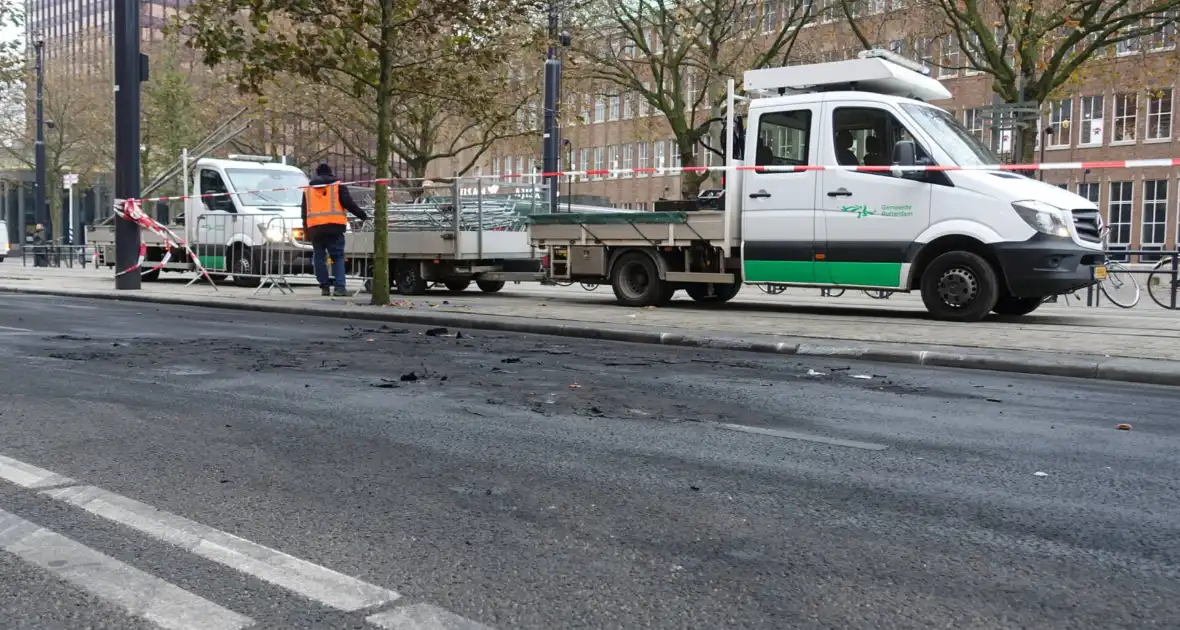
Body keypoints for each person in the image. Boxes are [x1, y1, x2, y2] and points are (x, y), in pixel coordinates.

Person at [300, 163, 369, 296]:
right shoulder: (338, 185)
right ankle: (339, 288)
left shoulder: (308, 189)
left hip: (315, 229)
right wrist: (363, 215)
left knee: (318, 257)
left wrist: (306, 231)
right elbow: (348, 203)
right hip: (334, 227)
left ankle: (324, 287)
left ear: (317, 173)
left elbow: (303, 213)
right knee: (338, 257)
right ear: (330, 172)